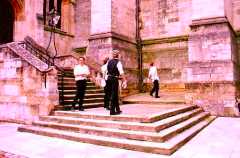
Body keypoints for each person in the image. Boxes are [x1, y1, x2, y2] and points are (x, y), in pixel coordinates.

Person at [107, 50, 125, 115]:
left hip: (109, 79)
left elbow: (108, 71)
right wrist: (124, 80)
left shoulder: (109, 62)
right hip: (114, 79)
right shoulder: (118, 62)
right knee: (114, 94)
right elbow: (121, 72)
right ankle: (112, 111)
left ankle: (118, 109)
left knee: (115, 94)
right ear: (118, 55)